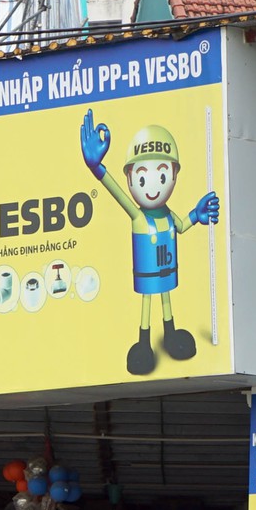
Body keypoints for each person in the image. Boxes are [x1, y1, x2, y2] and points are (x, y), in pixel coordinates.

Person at [79, 110, 219, 378]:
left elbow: (180, 226)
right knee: (147, 303)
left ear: (174, 176)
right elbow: (116, 191)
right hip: (147, 272)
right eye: (143, 178)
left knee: (166, 300)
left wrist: (196, 216)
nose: (153, 186)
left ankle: (170, 334)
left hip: (166, 269)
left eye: (163, 175)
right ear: (131, 178)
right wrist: (97, 167)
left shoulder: (167, 215)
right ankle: (143, 343)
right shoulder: (138, 216)